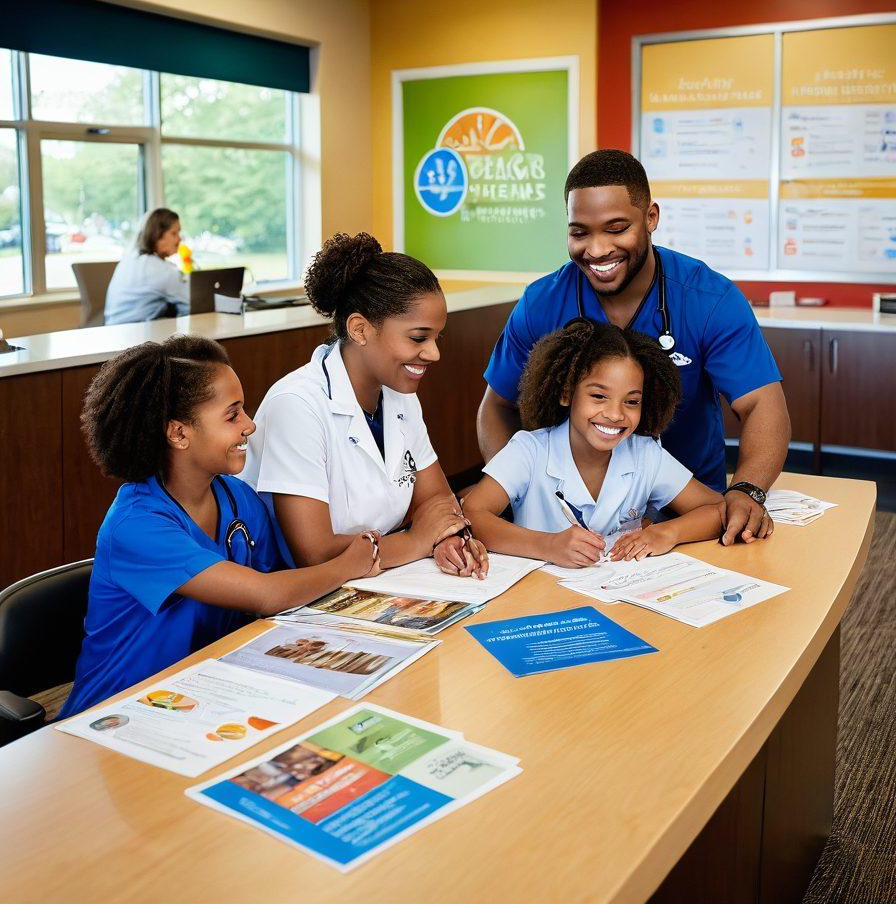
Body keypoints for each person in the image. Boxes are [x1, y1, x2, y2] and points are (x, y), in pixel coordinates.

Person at [477, 150, 790, 546]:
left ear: (651, 218)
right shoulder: (542, 303)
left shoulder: (709, 299)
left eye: (616, 228)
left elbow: (762, 404)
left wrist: (747, 490)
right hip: (564, 522)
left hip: (693, 513)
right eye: (579, 232)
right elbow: (496, 406)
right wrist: (520, 489)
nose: (596, 249)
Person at [60, 336, 380, 718]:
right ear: (179, 433)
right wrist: (349, 564)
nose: (251, 425)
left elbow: (287, 588)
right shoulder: (136, 526)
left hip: (203, 695)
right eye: (233, 415)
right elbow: (267, 595)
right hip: (118, 713)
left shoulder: (238, 499)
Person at [241, 232, 488, 579]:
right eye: (418, 338)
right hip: (300, 597)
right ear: (359, 329)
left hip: (376, 579)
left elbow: (436, 499)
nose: (434, 353)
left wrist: (447, 538)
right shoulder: (297, 405)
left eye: (437, 337)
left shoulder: (400, 397)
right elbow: (315, 553)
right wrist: (419, 540)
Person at [464, 320, 751, 566]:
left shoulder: (644, 454)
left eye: (631, 401)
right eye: (598, 396)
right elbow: (472, 512)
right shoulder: (529, 450)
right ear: (566, 394)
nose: (615, 414)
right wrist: (548, 546)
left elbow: (716, 508)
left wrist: (666, 533)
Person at [104, 207, 189, 325]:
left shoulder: (129, 260)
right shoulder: (162, 270)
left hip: (113, 331)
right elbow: (190, 306)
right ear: (157, 235)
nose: (179, 238)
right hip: (138, 336)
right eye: (174, 233)